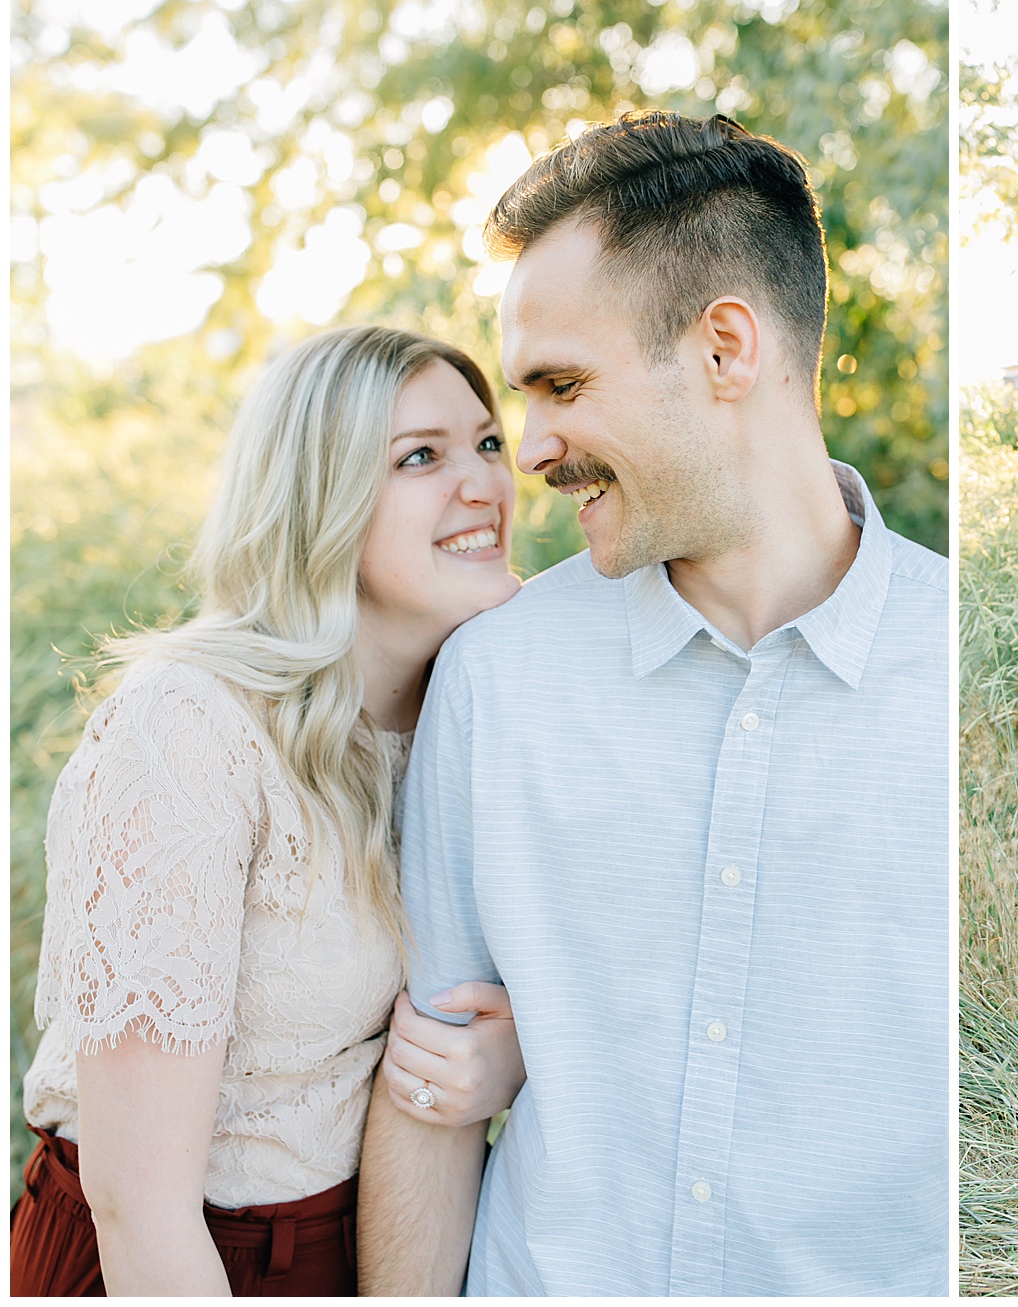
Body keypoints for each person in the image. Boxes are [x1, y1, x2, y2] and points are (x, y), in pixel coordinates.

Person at [355, 111, 950, 1295]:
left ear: (726, 346)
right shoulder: (495, 678)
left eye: (564, 384)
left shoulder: (957, 674)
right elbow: (428, 1089)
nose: (528, 450)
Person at [11, 327, 530, 1295]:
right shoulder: (190, 731)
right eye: (421, 455)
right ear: (319, 498)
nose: (484, 484)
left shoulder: (483, 713)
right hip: (176, 1260)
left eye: (488, 442)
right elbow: (140, 1205)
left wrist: (511, 1058)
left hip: (370, 1247)